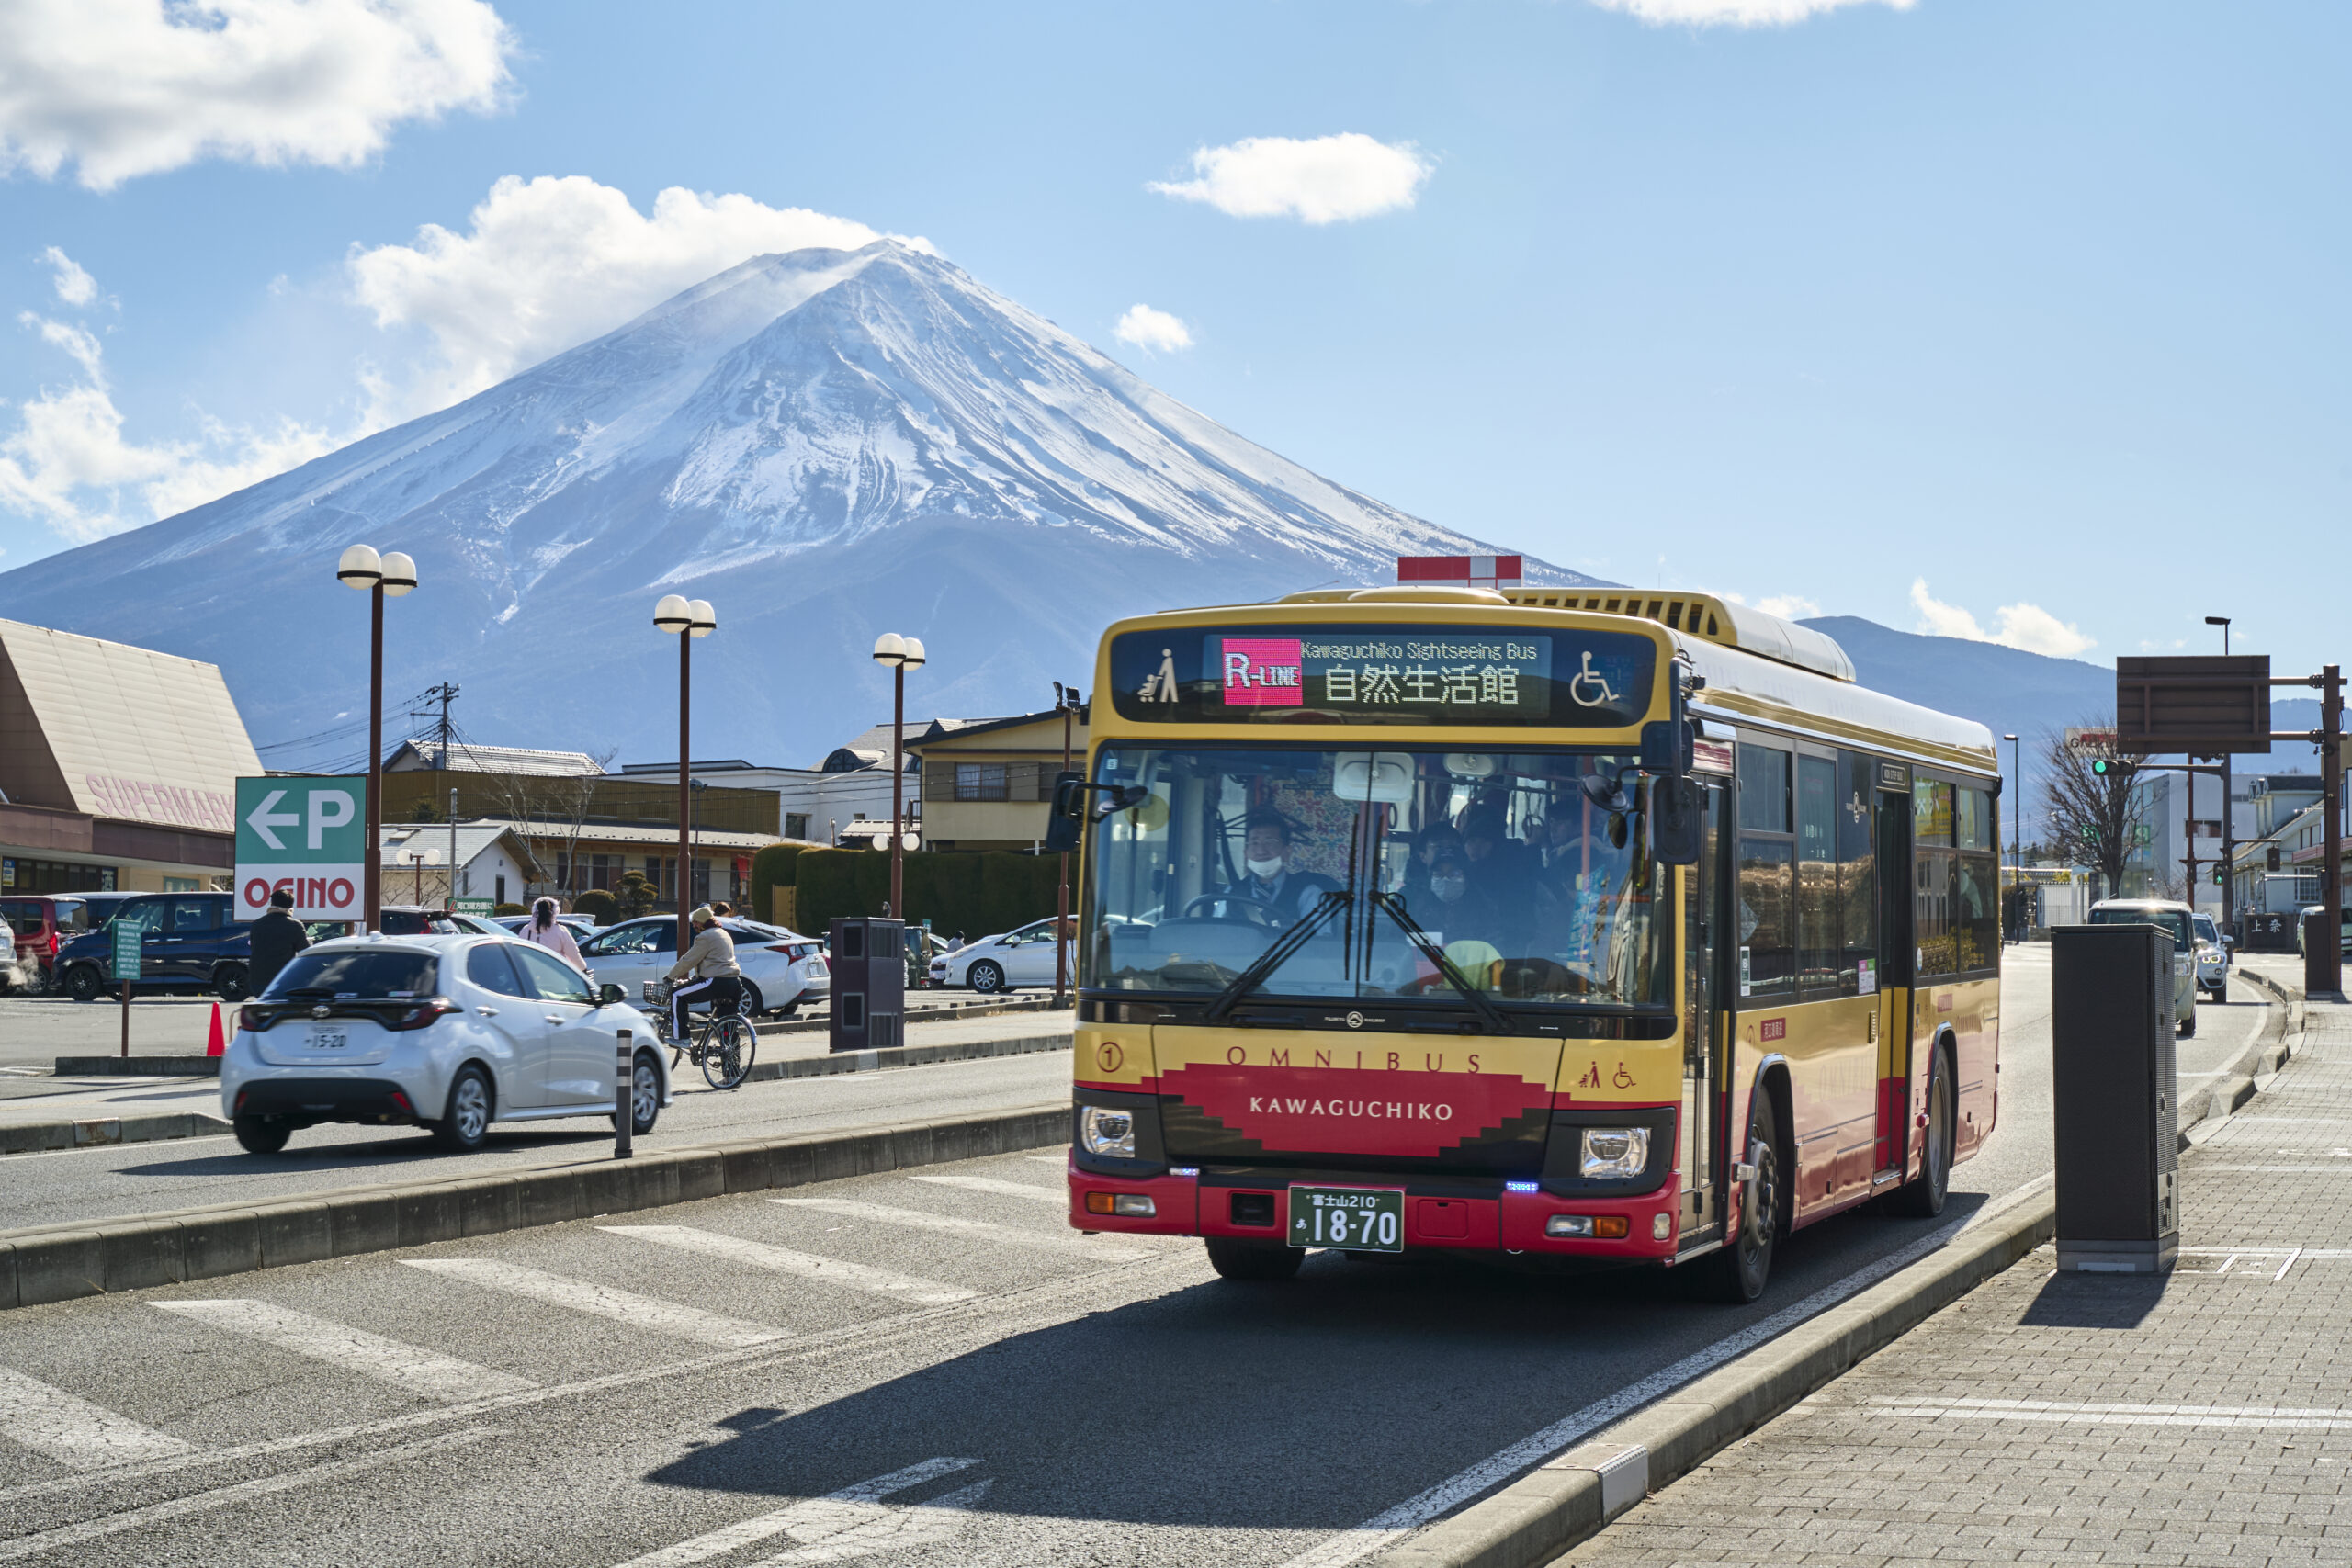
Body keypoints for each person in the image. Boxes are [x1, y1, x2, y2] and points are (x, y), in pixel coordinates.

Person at [1233, 813, 1338, 924]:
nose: (1261, 851)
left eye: (1270, 842)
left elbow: (1318, 939)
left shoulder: (1309, 893)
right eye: (1254, 843)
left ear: (1287, 852)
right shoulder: (1232, 892)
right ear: (1245, 853)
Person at [666, 904, 742, 1037]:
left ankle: (681, 1037)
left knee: (677, 994)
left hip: (715, 982)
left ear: (703, 922)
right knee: (728, 1025)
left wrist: (670, 976)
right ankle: (731, 1055)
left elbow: (689, 960)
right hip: (734, 983)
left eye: (696, 922)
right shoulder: (724, 933)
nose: (694, 925)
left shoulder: (705, 936)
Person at [247, 887, 309, 995]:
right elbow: (305, 953)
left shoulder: (257, 924)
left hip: (257, 982)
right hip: (283, 981)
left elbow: (254, 948)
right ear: (291, 907)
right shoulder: (295, 925)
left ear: (271, 904)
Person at [516, 897, 585, 973]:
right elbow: (573, 954)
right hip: (555, 976)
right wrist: (583, 969)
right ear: (555, 912)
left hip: (531, 975)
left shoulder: (525, 930)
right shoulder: (560, 931)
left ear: (534, 911)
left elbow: (519, 954)